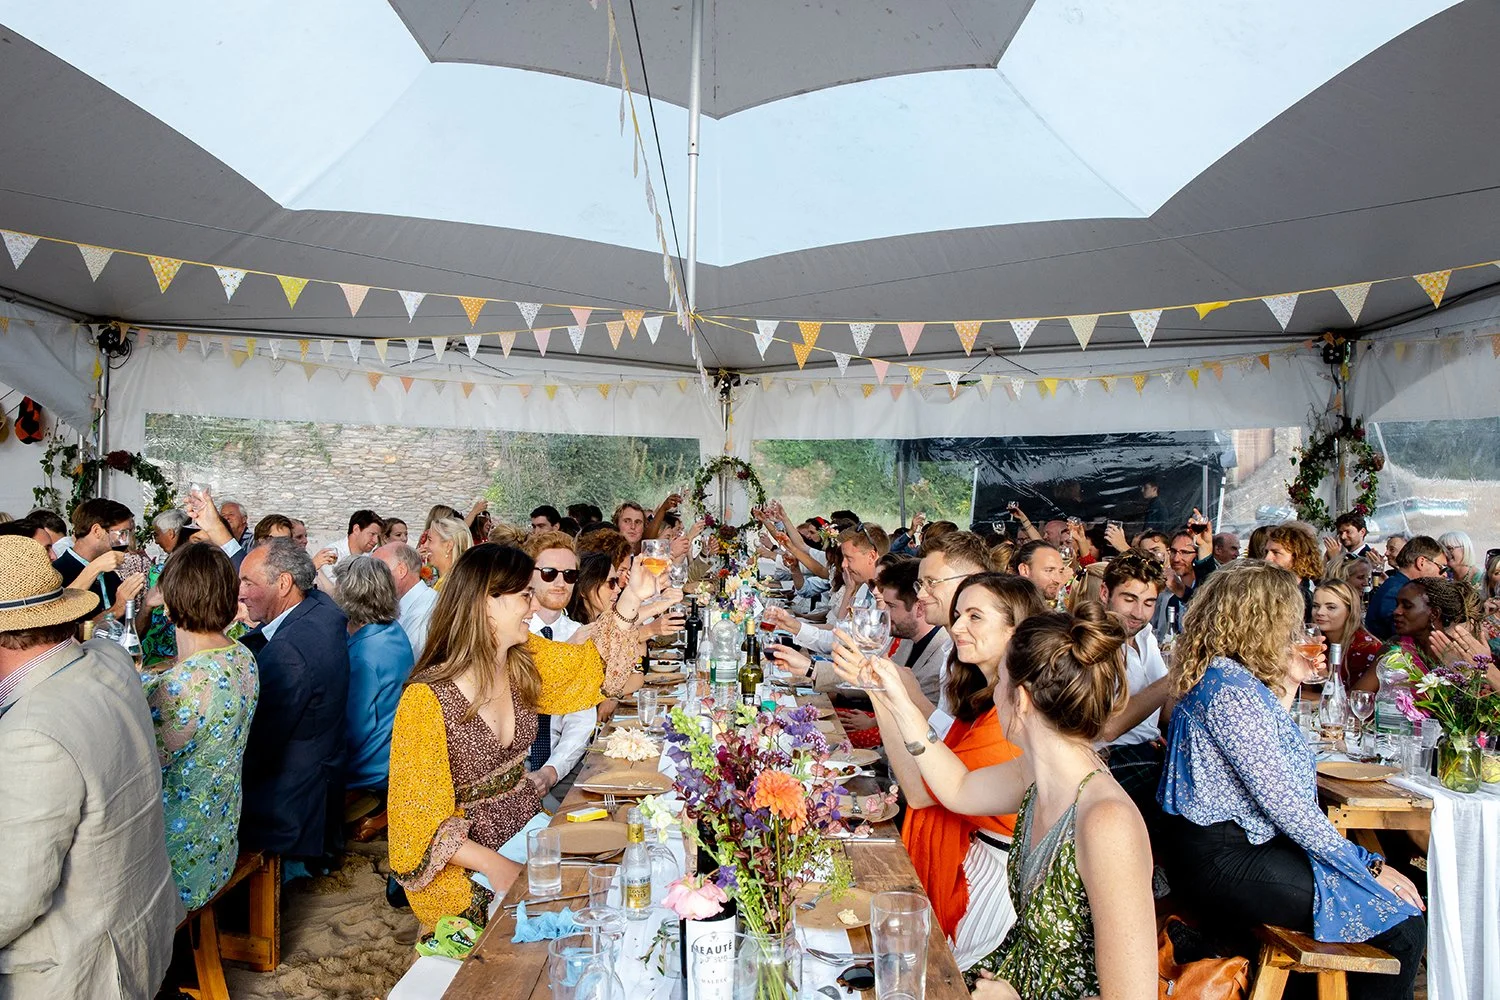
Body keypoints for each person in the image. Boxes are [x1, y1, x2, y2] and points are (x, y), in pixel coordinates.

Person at [846, 601, 1154, 998]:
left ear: (1021, 699)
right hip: (998, 979)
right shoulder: (1038, 773)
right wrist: (894, 699)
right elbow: (956, 788)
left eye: (1001, 682)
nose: (994, 694)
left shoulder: (1107, 822)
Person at [1158, 561, 1425, 1000]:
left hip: (1230, 848)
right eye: (1290, 616)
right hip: (1225, 860)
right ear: (1262, 620)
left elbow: (1276, 768)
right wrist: (1369, 863)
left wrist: (1288, 680)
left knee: (1391, 914)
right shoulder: (1230, 692)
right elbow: (1288, 805)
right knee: (1404, 923)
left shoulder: (1230, 678)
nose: (1298, 627)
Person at [386, 544, 657, 928]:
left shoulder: (521, 660)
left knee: (617, 880)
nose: (534, 606)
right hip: (465, 869)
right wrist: (502, 870)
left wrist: (632, 596)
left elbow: (589, 667)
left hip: (527, 828)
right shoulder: (424, 700)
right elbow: (417, 824)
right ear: (484, 603)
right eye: (524, 595)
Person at [0, 537, 180, 1000]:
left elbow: (11, 899)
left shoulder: (30, 735)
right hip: (138, 928)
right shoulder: (112, 660)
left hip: (73, 969)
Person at [837, 574, 1042, 969]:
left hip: (982, 879)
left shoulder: (1013, 717)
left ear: (1015, 630)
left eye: (975, 617)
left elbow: (922, 791)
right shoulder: (985, 696)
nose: (958, 626)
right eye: (959, 614)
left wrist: (883, 693)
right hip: (971, 858)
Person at [144, 542, 259, 908]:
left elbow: (139, 765)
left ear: (171, 601)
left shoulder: (181, 686)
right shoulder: (242, 655)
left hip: (176, 864)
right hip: (218, 842)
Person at [237, 539, 351, 862]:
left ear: (284, 583)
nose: (240, 593)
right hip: (323, 774)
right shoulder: (322, 607)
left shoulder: (288, 654)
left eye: (248, 583)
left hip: (293, 805)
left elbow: (256, 749)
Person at [1091, 553, 1172, 816]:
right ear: (1105, 593)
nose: (1139, 613)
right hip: (1111, 764)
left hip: (1149, 755)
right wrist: (1176, 675)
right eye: (1129, 599)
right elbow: (1108, 728)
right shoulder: (1093, 643)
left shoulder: (1145, 634)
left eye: (1149, 603)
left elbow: (1165, 712)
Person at [335, 555, 414, 792]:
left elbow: (353, 729)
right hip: (389, 760)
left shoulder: (364, 654)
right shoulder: (392, 629)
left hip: (368, 773)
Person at [52, 497, 144, 618]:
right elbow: (67, 627)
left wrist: (147, 607)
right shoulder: (57, 574)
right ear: (96, 531)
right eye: (122, 533)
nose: (127, 540)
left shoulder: (109, 575)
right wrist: (116, 609)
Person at [1365, 535, 1446, 640]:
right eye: (1442, 568)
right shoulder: (1396, 591)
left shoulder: (1397, 585)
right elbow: (1402, 637)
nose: (1445, 575)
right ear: (1421, 562)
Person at [1310, 580, 1383, 691]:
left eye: (1331, 607)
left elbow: (1353, 700)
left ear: (1350, 611)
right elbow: (1301, 693)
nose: (1320, 612)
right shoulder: (1316, 643)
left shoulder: (1365, 647)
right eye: (1315, 606)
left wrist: (1323, 674)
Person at [375, 542, 439, 660]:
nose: (373, 579)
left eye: (378, 571)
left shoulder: (422, 614)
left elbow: (406, 664)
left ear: (401, 570)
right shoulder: (413, 603)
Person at [1264, 524, 1324, 619]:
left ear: (1298, 556)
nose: (1267, 558)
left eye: (1276, 552)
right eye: (1266, 552)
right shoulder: (1262, 590)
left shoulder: (1313, 597)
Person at [314, 509, 385, 588]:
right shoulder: (331, 553)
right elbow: (330, 589)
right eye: (372, 534)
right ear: (356, 529)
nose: (375, 540)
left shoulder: (372, 557)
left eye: (378, 536)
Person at [423, 516, 473, 592]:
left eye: (430, 539)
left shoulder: (450, 586)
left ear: (449, 546)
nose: (425, 545)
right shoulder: (458, 579)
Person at [1015, 540, 1070, 608]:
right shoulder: (1007, 609)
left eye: (1060, 572)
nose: (1058, 580)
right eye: (1049, 571)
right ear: (1024, 570)